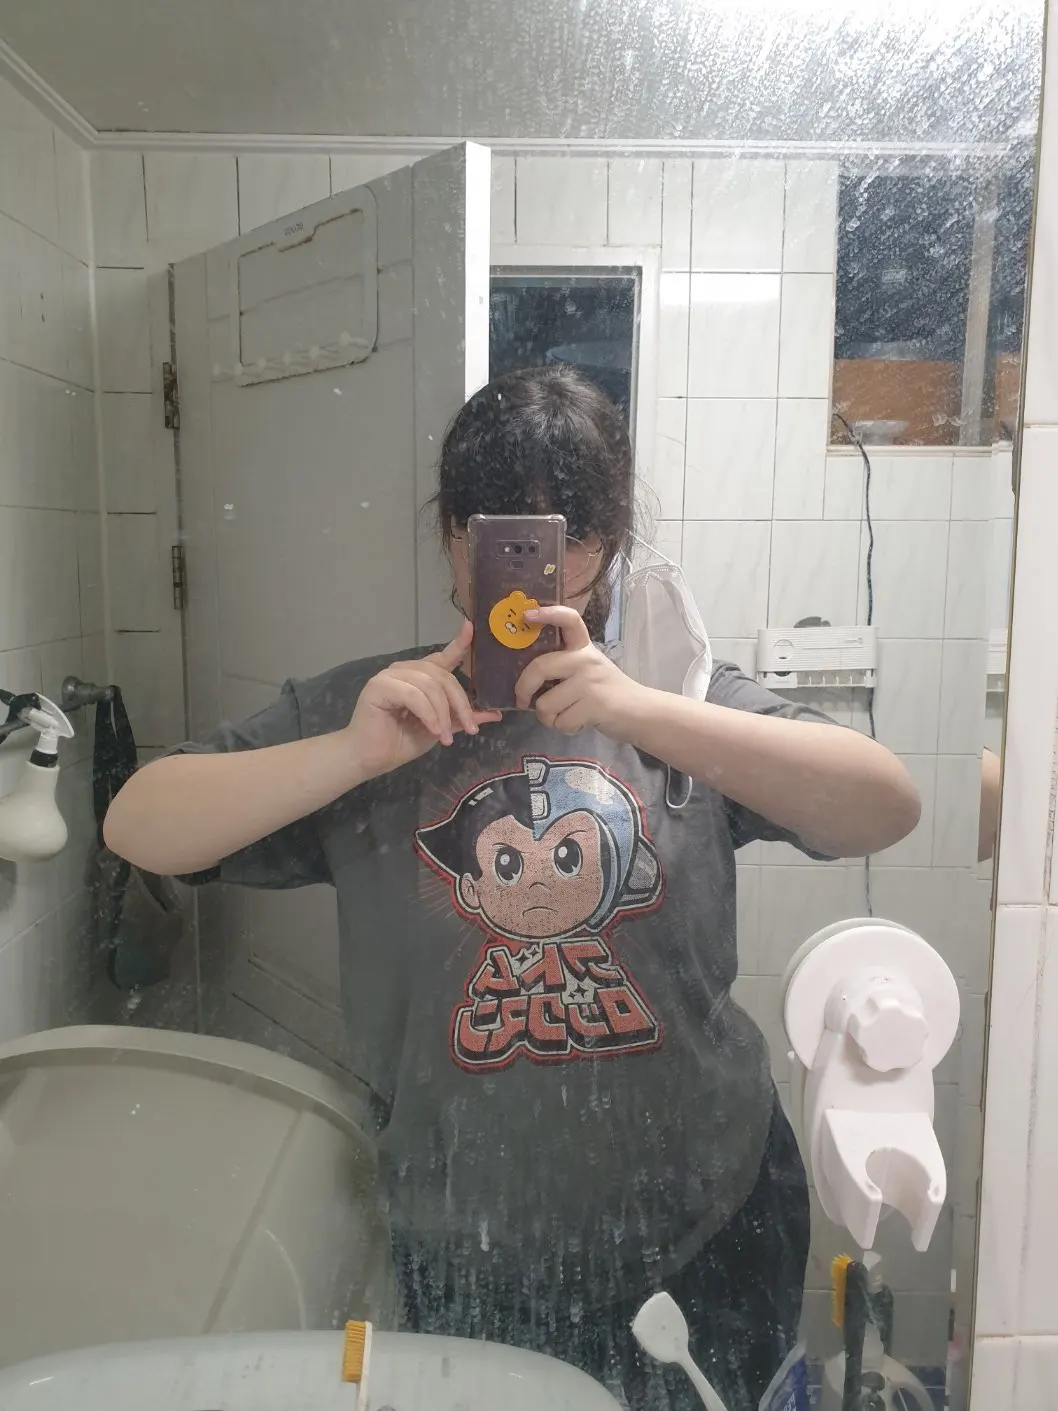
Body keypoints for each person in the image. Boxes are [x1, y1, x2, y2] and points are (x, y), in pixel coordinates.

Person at [104, 366, 921, 1410]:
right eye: (494, 526)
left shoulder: (679, 698)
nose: (538, 567)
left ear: (609, 542)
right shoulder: (375, 713)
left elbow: (883, 805)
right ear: (452, 535)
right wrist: (350, 754)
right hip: (469, 1250)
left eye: (569, 528)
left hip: (708, 1229)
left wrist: (638, 711)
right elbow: (140, 825)